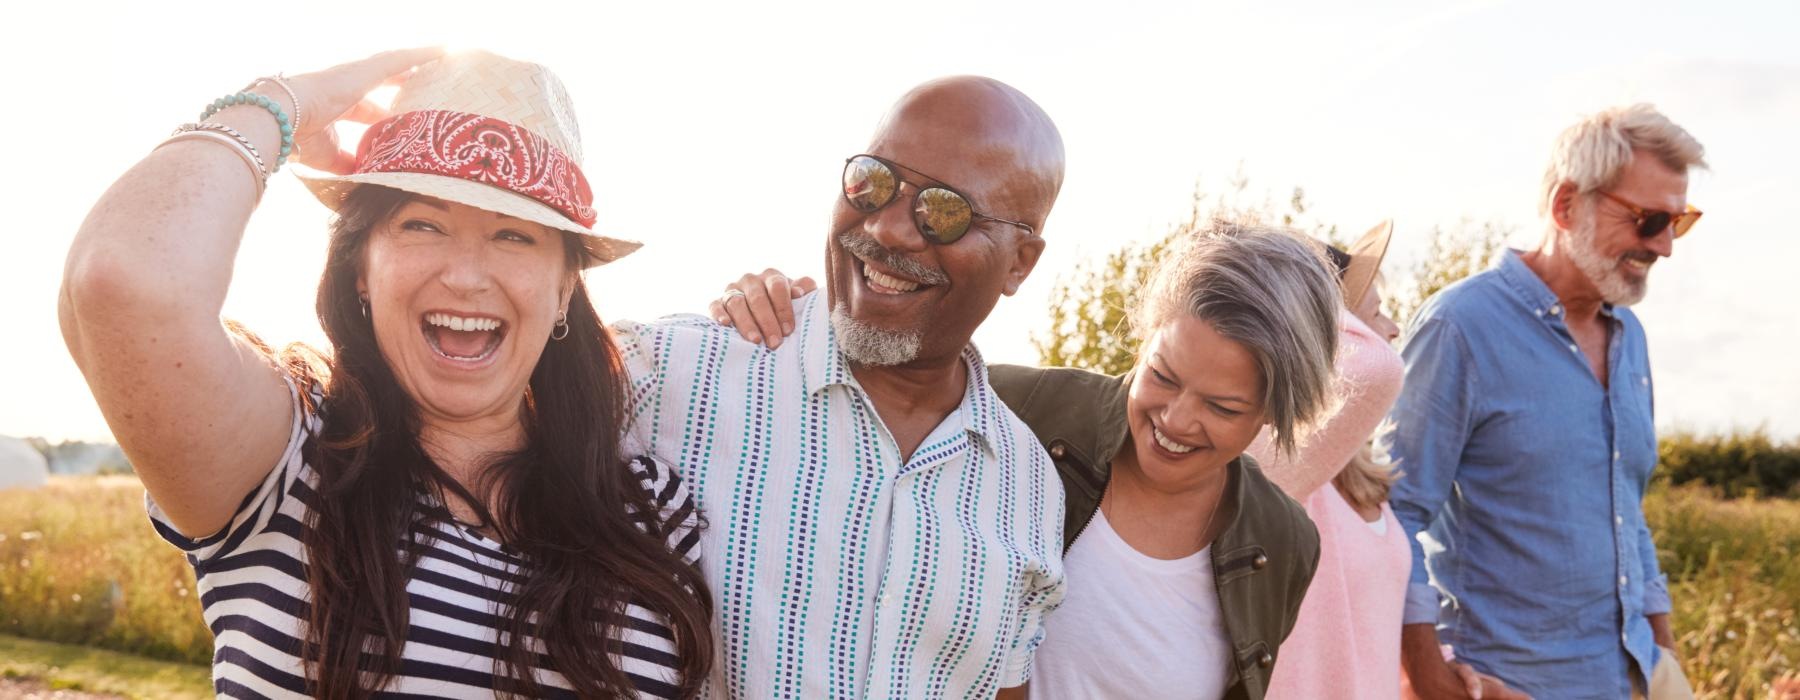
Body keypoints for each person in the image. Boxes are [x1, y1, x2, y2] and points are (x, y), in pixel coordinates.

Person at [59, 50, 711, 698]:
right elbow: (126, 281)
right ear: (360, 271)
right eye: (423, 224)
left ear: (565, 286)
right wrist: (283, 103)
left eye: (514, 236)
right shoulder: (286, 465)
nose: (465, 275)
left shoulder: (648, 510)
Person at [710, 218, 1339, 699]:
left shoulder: (1283, 540)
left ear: (1276, 412)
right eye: (1163, 376)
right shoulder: (1016, 412)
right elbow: (856, 370)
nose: (1175, 421)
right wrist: (778, 305)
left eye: (1223, 408)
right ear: (1144, 339)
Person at [613, 76, 1067, 699]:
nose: (889, 230)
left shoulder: (1031, 489)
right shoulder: (666, 376)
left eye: (944, 211)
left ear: (1021, 261)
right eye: (873, 181)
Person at [1382, 103, 1705, 700]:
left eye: (1678, 222)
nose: (1664, 247)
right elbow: (1392, 511)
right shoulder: (1460, 327)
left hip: (1632, 676)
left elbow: (1626, 514)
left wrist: (1666, 661)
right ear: (1565, 206)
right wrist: (1427, 677)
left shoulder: (1630, 340)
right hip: (1509, 682)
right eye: (1649, 220)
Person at [1255, 222, 1514, 699]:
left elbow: (1367, 610)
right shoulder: (1283, 467)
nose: (1394, 329)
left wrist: (1445, 667)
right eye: (1376, 314)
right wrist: (1300, 308)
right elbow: (1376, 367)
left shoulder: (1355, 475)